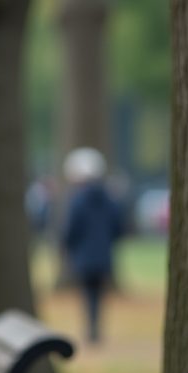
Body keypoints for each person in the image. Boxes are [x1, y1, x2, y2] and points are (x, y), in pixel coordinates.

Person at [62, 147, 123, 344]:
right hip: (104, 254)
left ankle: (91, 328)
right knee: (98, 293)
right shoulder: (109, 198)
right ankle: (96, 328)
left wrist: (66, 244)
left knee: (88, 293)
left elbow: (72, 227)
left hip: (84, 255)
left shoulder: (77, 200)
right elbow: (118, 226)